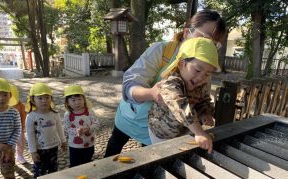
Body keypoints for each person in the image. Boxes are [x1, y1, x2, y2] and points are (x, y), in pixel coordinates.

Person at [104, 9, 226, 157]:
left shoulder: (203, 69)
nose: (208, 47)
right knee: (113, 150)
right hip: (131, 116)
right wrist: (151, 93)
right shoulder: (162, 50)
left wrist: (205, 112)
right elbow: (130, 84)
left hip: (158, 130)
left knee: (146, 160)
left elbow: (201, 98)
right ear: (187, 33)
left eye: (214, 43)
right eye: (204, 38)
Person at [148, 37, 220, 152]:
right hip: (161, 132)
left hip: (183, 130)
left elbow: (203, 100)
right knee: (164, 157)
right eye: (197, 70)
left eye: (207, 74)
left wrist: (205, 113)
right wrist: (199, 132)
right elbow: (180, 107)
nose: (201, 77)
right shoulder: (170, 83)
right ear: (182, 64)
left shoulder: (199, 85)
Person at [25, 83, 67, 179]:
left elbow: (59, 128)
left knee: (53, 168)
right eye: (40, 98)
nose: (44, 101)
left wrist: (63, 141)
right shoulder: (31, 117)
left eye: (47, 97)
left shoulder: (55, 114)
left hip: (53, 148)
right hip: (39, 150)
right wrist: (33, 152)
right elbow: (30, 135)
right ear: (33, 100)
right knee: (40, 171)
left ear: (51, 98)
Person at [63, 85, 100, 167]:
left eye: (80, 99)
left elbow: (97, 124)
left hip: (89, 144)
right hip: (74, 146)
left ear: (84, 100)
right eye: (73, 100)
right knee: (75, 165)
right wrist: (76, 131)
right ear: (68, 103)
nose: (77, 102)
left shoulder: (89, 112)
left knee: (87, 163)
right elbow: (66, 128)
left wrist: (90, 129)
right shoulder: (68, 114)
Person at [9, 84, 27, 164]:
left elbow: (23, 115)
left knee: (21, 142)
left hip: (18, 128)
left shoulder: (19, 105)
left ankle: (19, 155)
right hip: (6, 131)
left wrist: (23, 125)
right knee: (9, 145)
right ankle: (9, 156)